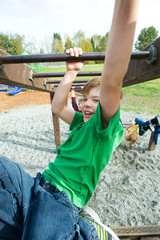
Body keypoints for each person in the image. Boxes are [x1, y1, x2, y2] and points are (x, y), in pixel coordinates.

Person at [0, 1, 140, 239]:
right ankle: (76, 229)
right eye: (85, 99)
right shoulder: (80, 122)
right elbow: (57, 106)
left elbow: (113, 78)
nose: (87, 104)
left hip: (62, 198)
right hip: (39, 184)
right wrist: (72, 70)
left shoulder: (102, 129)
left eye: (96, 101)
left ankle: (85, 231)